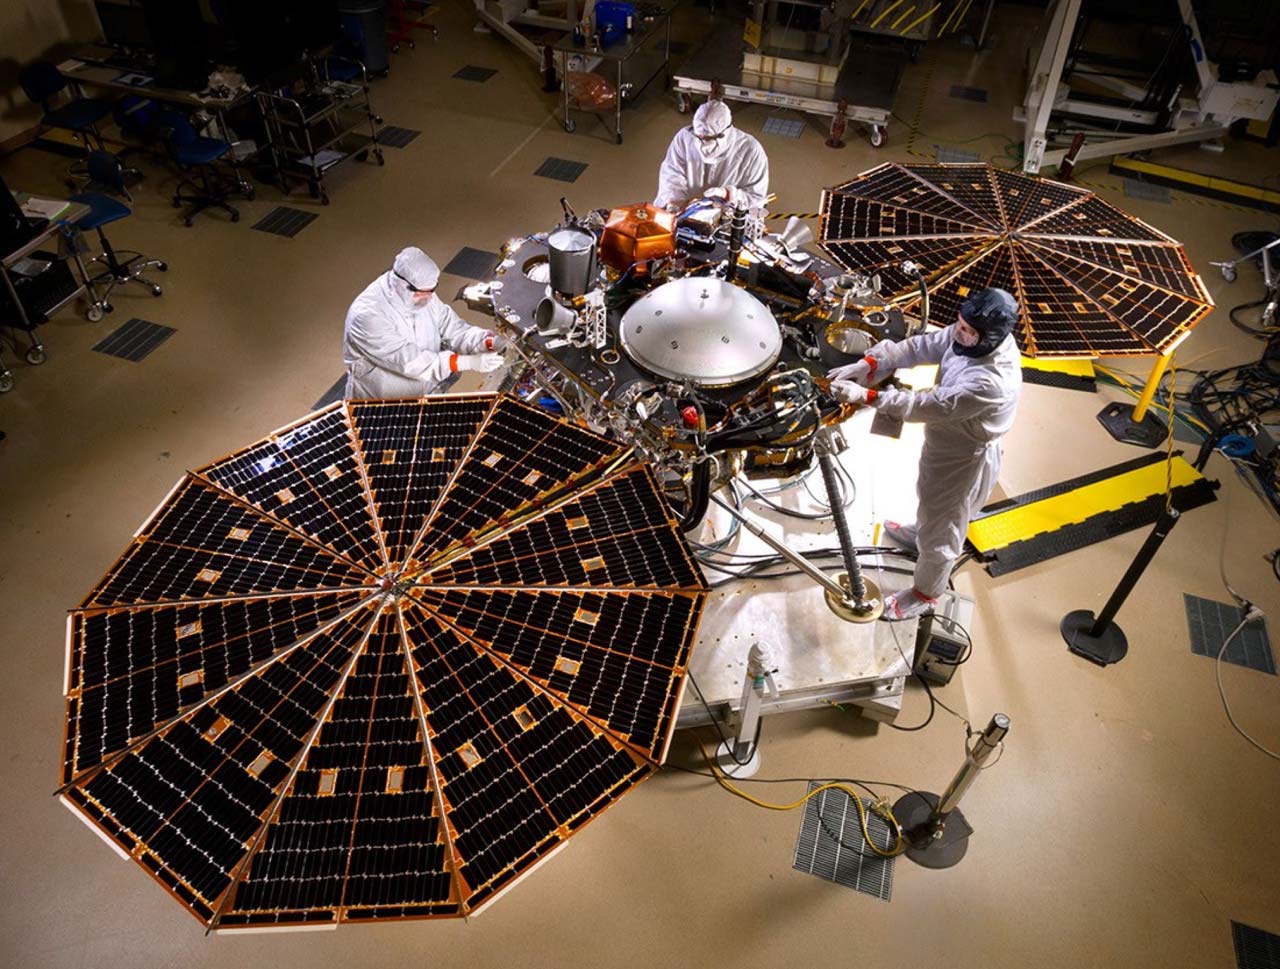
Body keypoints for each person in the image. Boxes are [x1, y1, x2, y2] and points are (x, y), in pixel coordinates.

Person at [828, 288, 1023, 620]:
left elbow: (925, 405)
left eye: (967, 331)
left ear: (989, 337)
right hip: (947, 441)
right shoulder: (972, 335)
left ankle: (925, 593)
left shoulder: (991, 381)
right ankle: (921, 533)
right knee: (930, 498)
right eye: (959, 324)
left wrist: (866, 396)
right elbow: (924, 345)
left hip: (964, 456)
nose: (958, 332)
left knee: (944, 527)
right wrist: (870, 362)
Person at [343, 246, 504, 398]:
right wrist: (466, 362)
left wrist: (488, 342)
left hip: (425, 394)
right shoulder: (367, 315)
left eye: (431, 291)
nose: (428, 298)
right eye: (422, 292)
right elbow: (408, 361)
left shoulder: (423, 295)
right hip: (381, 404)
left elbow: (454, 329)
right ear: (400, 283)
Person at [654, 100, 770, 213]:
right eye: (699, 137)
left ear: (726, 131)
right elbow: (672, 174)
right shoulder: (685, 137)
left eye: (708, 138)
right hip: (685, 211)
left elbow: (756, 198)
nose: (702, 144)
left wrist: (728, 194)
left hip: (726, 218)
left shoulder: (750, 151)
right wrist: (674, 202)